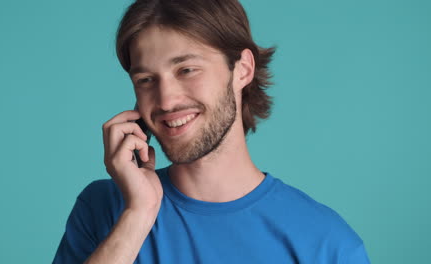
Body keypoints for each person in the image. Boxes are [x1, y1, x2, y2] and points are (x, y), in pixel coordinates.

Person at [53, 0, 371, 263]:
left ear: (242, 69)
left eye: (187, 70)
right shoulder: (104, 208)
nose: (166, 100)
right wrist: (139, 213)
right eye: (146, 80)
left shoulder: (329, 245)